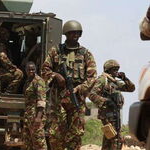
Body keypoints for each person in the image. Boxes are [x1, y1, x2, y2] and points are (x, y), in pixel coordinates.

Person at [41, 20, 97, 150]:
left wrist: (79, 88)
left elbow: (92, 77)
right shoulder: (56, 51)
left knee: (76, 132)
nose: (75, 35)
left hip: (77, 99)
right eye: (72, 33)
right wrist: (55, 75)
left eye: (77, 33)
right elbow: (44, 71)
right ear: (66, 34)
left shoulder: (85, 54)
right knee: (55, 132)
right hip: (58, 99)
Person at [89, 59, 135, 150]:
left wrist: (125, 79)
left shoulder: (114, 82)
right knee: (114, 137)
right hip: (107, 113)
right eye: (114, 70)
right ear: (108, 70)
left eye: (117, 70)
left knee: (111, 138)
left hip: (116, 113)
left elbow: (131, 88)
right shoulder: (103, 79)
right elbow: (91, 94)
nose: (116, 72)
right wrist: (105, 101)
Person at [23, 62, 47, 150]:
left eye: (33, 69)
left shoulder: (39, 81)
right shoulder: (28, 81)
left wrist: (38, 117)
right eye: (29, 69)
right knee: (27, 142)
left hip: (36, 116)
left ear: (36, 69)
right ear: (25, 70)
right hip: (28, 116)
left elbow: (41, 100)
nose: (31, 71)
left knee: (39, 143)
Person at [0, 27, 23, 93]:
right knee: (19, 74)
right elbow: (3, 58)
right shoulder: (0, 45)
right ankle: (8, 92)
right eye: (5, 34)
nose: (7, 36)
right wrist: (13, 68)